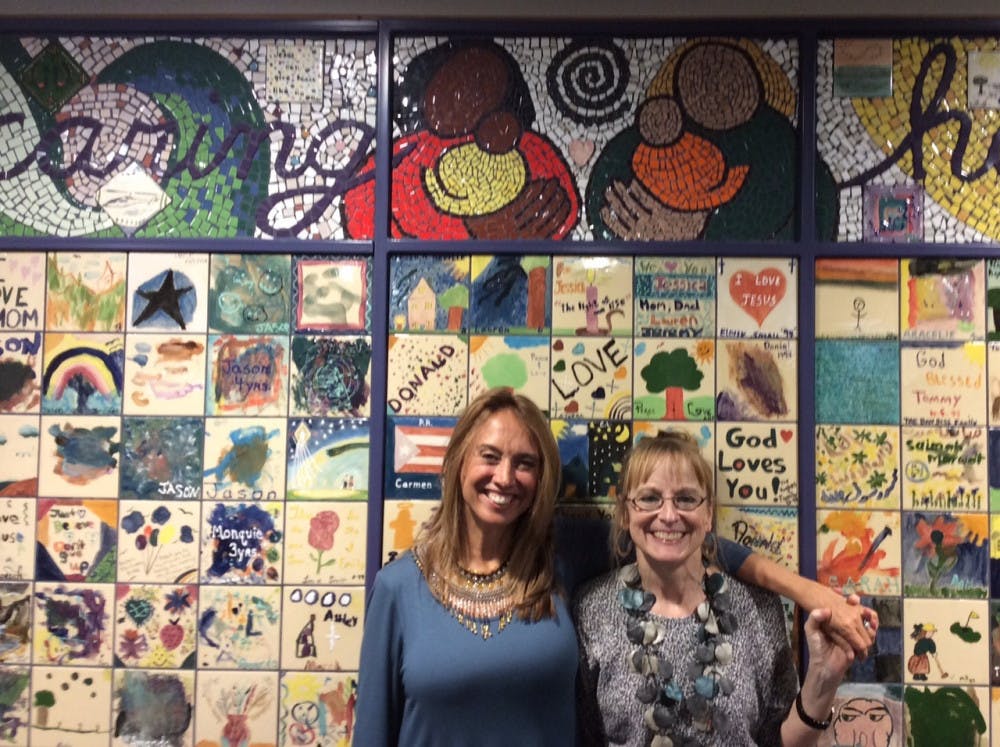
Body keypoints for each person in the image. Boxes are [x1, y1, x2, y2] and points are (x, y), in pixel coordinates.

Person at [355, 390, 874, 746]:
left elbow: (686, 541)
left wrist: (808, 593)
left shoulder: (561, 557)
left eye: (526, 463)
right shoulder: (400, 587)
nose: (505, 477)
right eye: (489, 456)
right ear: (458, 464)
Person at [575, 430, 853, 746]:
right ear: (625, 512)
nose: (668, 515)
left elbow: (780, 741)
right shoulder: (592, 608)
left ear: (708, 514)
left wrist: (823, 678)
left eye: (686, 499)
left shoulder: (755, 608)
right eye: (649, 498)